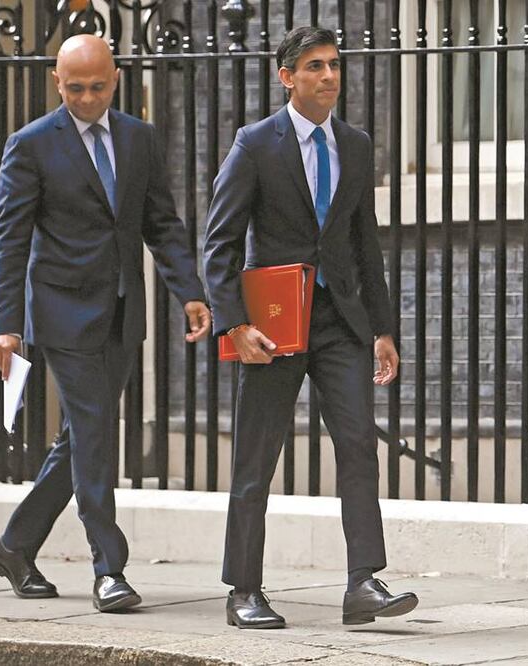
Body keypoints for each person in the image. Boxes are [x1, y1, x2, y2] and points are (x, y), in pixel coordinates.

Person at [0, 34, 211, 613]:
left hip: (121, 312)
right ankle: (109, 569)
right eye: (75, 88)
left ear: (115, 79)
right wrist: (6, 324)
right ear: (57, 83)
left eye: (98, 87)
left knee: (82, 437)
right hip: (62, 314)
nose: (87, 99)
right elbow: (9, 241)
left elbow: (162, 223)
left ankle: (14, 547)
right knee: (95, 435)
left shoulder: (139, 137)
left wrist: (189, 292)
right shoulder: (30, 145)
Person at [203, 26, 418, 630]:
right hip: (274, 326)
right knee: (256, 458)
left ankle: (362, 584)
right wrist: (235, 325)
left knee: (358, 445)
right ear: (287, 78)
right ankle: (243, 590)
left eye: (334, 65)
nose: (329, 76)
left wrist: (382, 329)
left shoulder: (354, 144)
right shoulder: (255, 144)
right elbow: (219, 244)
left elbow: (365, 243)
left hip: (340, 323)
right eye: (315, 66)